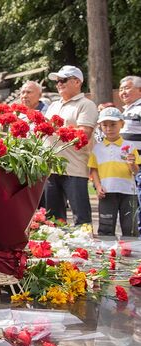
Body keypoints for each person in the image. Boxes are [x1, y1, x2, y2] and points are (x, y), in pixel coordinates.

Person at [44, 65, 98, 225]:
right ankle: (56, 249)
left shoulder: (86, 104)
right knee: (53, 220)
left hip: (74, 169)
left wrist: (53, 128)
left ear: (77, 82)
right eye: (57, 81)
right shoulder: (54, 105)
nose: (59, 84)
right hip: (50, 168)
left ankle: (85, 249)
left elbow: (83, 135)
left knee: (81, 219)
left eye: (63, 80)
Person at [88, 107, 140, 237]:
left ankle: (130, 251)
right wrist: (98, 186)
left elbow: (136, 171)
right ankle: (107, 251)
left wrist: (132, 164)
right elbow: (93, 170)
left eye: (113, 124)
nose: (109, 128)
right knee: (106, 224)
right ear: (100, 126)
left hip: (129, 192)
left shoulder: (130, 146)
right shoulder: (97, 149)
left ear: (122, 124)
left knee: (130, 225)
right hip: (107, 192)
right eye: (104, 125)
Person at [119, 75, 141, 231]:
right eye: (121, 89)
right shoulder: (125, 110)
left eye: (127, 88)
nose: (122, 92)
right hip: (127, 167)